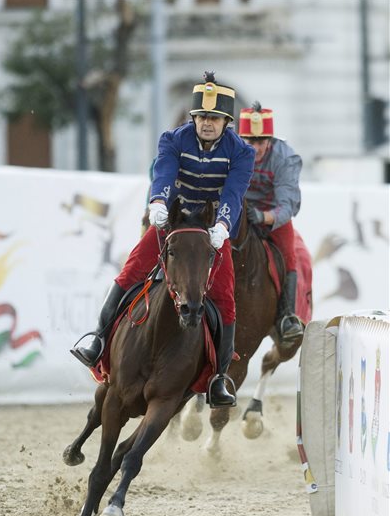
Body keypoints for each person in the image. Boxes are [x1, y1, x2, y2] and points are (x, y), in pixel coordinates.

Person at [71, 71, 255, 407]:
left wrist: (224, 225)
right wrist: (158, 202)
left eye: (214, 118)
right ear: (193, 118)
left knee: (225, 298)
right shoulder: (172, 139)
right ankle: (98, 339)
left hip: (214, 228)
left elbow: (234, 192)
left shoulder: (242, 152)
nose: (207, 124)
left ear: (226, 122)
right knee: (129, 273)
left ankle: (218, 378)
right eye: (202, 117)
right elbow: (165, 173)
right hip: (174, 221)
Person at [238, 102, 304, 342]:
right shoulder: (229, 151)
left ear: (270, 141)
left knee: (289, 254)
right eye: (250, 142)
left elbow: (288, 206)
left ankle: (287, 316)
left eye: (261, 142)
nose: (255, 149)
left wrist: (263, 217)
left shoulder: (286, 158)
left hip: (271, 216)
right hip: (237, 212)